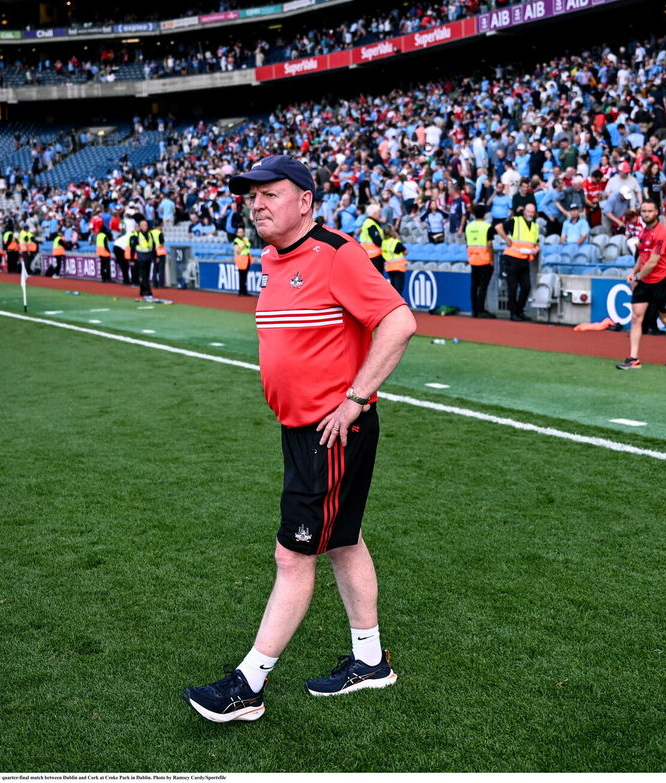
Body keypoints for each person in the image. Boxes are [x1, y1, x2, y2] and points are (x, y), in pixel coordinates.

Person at [184, 155, 416, 723]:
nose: (257, 204)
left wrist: (355, 399)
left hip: (332, 431)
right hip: (302, 430)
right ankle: (370, 662)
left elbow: (399, 321)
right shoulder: (272, 258)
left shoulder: (336, 254)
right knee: (343, 540)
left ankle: (249, 683)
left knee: (293, 555)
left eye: (271, 194)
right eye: (252, 196)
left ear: (305, 200)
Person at [615, 201, 666, 370]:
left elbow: (653, 261)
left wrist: (638, 277)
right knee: (636, 317)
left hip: (660, 280)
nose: (647, 214)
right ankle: (633, 358)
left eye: (650, 211)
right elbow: (642, 256)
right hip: (644, 280)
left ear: (656, 212)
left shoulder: (662, 233)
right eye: (644, 211)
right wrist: (633, 271)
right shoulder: (643, 232)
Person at [497, 202, 539, 321]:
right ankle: (513, 313)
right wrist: (506, 239)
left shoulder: (535, 226)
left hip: (524, 259)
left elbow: (535, 243)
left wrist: (536, 249)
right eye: (528, 211)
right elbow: (498, 227)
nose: (530, 214)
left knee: (526, 286)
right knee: (513, 287)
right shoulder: (516, 221)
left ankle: (519, 311)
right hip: (512, 258)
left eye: (532, 212)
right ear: (524, 211)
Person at [465, 205, 496, 318]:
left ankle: (474, 310)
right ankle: (481, 309)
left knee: (474, 286)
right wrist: (492, 259)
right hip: (485, 259)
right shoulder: (487, 226)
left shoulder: (468, 227)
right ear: (484, 214)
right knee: (483, 286)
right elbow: (489, 244)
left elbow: (467, 242)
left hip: (473, 259)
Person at [357, 204, 385, 275]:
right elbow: (377, 241)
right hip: (374, 257)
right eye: (379, 212)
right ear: (374, 213)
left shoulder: (367, 222)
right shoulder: (371, 224)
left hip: (369, 256)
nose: (380, 214)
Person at [381, 224, 408, 296]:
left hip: (389, 268)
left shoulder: (384, 242)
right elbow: (405, 251)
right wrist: (397, 238)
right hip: (398, 268)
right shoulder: (395, 242)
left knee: (393, 289)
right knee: (398, 289)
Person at [133, 219, 155, 299]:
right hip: (141, 257)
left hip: (148, 257)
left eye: (146, 225)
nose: (146, 227)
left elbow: (153, 246)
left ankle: (142, 291)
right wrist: (132, 259)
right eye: (144, 225)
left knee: (146, 275)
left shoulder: (150, 234)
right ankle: (148, 291)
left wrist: (154, 256)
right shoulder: (137, 235)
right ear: (140, 227)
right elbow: (133, 247)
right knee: (144, 275)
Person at [232, 226, 252, 296]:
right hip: (241, 260)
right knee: (242, 276)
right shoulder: (236, 240)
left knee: (245, 276)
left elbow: (248, 247)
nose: (241, 233)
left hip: (247, 259)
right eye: (239, 232)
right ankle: (241, 291)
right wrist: (243, 244)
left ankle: (245, 291)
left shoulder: (246, 239)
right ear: (237, 233)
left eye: (242, 232)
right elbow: (237, 251)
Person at [151, 222, 167, 287]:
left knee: (155, 269)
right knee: (161, 269)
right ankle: (161, 284)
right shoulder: (160, 233)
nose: (161, 228)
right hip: (160, 253)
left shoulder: (150, 233)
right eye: (161, 226)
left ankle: (155, 284)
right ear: (158, 227)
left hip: (153, 253)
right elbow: (161, 243)